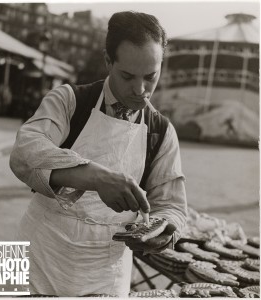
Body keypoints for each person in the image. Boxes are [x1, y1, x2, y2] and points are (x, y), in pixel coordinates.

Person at [10, 11, 187, 297]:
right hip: (32, 250)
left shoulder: (163, 132)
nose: (141, 90)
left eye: (151, 76)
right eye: (128, 76)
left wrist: (162, 230)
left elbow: (172, 206)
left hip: (104, 274)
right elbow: (23, 152)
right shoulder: (67, 99)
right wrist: (95, 177)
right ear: (108, 61)